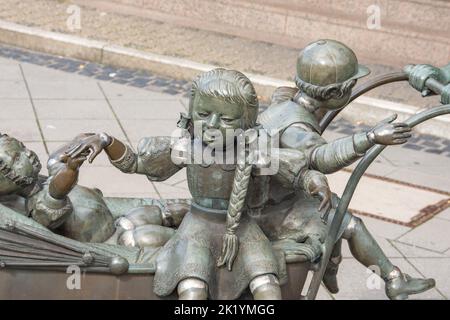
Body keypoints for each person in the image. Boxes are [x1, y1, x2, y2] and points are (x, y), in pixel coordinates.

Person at [66, 68, 333, 300]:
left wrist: (313, 181)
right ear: (191, 113)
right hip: (197, 230)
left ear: (247, 124)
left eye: (227, 119)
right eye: (204, 114)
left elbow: (292, 172)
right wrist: (107, 141)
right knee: (192, 287)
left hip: (244, 231)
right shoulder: (186, 148)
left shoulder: (254, 152)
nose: (213, 125)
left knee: (267, 285)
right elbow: (136, 163)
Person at [255, 39, 435, 300]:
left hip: (280, 192)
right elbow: (321, 158)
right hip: (271, 209)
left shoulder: (285, 102)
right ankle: (392, 280)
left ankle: (333, 264)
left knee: (333, 208)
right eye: (350, 86)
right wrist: (371, 137)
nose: (352, 89)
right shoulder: (296, 128)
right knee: (350, 224)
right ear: (335, 93)